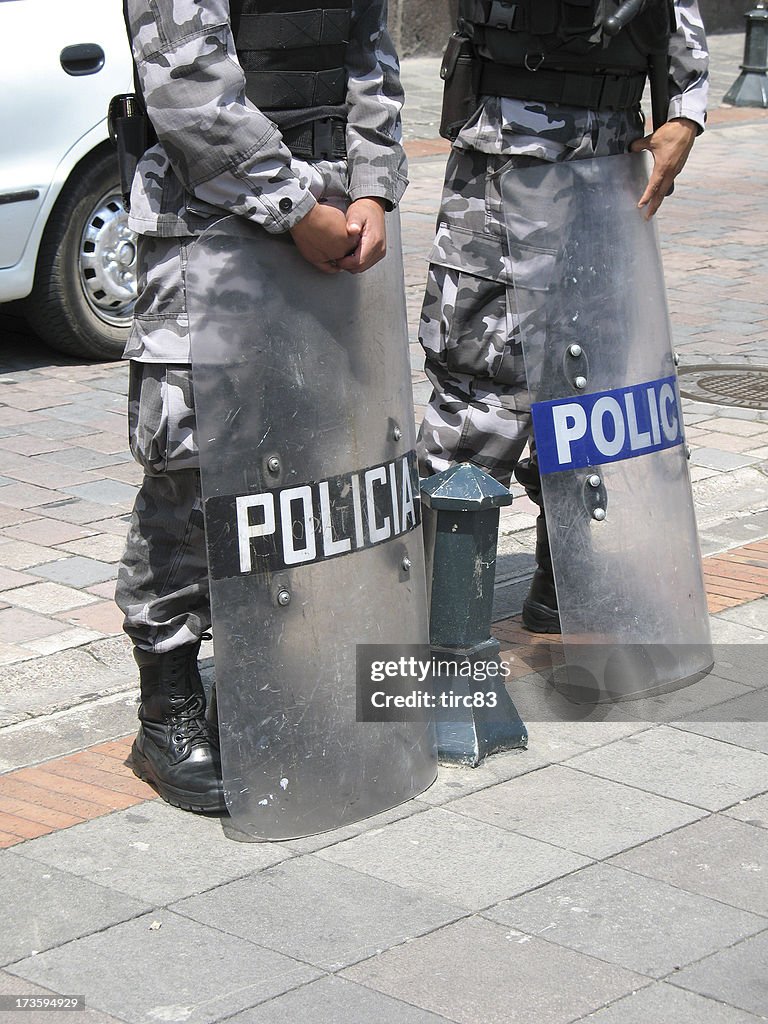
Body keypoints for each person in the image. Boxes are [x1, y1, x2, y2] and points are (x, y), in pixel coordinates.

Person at [115, 0, 408, 813]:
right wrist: (295, 209)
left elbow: (370, 50)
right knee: (192, 468)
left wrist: (375, 192)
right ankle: (168, 704)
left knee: (306, 451)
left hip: (332, 219)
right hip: (209, 227)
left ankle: (263, 669)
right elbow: (185, 86)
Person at [417, 0, 709, 633]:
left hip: (611, 147)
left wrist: (685, 108)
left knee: (593, 377)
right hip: (508, 142)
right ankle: (442, 633)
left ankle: (565, 580)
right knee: (482, 382)